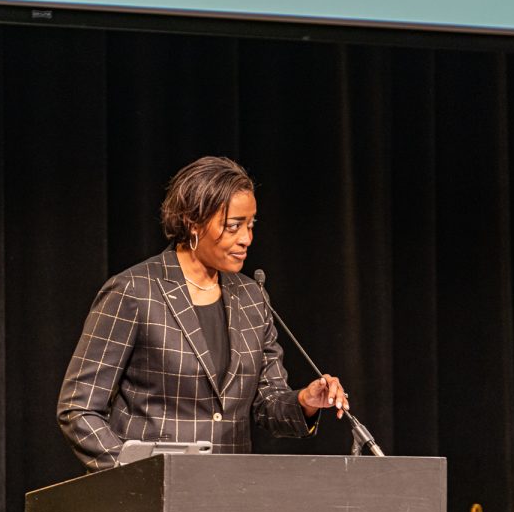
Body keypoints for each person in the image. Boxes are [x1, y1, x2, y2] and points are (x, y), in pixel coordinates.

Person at [57, 156, 348, 472]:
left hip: (226, 498)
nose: (246, 238)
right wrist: (133, 474)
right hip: (148, 502)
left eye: (250, 225)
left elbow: (268, 405)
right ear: (192, 222)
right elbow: (78, 409)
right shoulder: (135, 291)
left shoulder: (251, 296)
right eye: (233, 226)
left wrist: (305, 401)